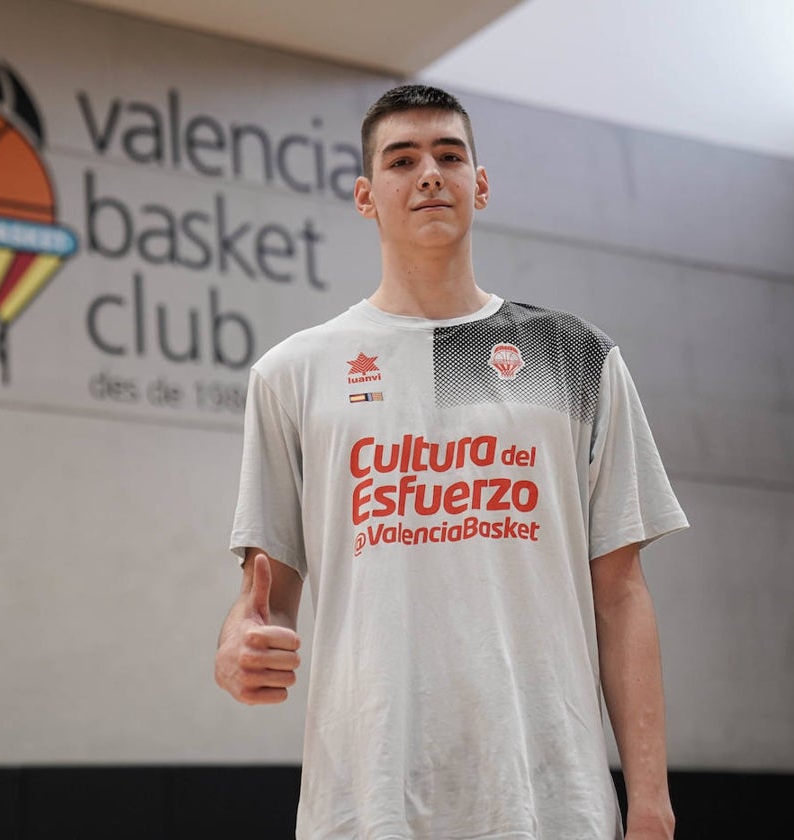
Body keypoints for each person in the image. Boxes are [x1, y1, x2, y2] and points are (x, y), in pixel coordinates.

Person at [216, 84, 688, 840]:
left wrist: (652, 804)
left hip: (552, 802)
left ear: (482, 183)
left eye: (449, 155)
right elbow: (265, 597)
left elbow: (621, 594)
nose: (429, 173)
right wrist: (239, 641)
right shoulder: (294, 372)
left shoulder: (569, 356)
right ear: (366, 196)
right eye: (402, 160)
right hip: (365, 805)